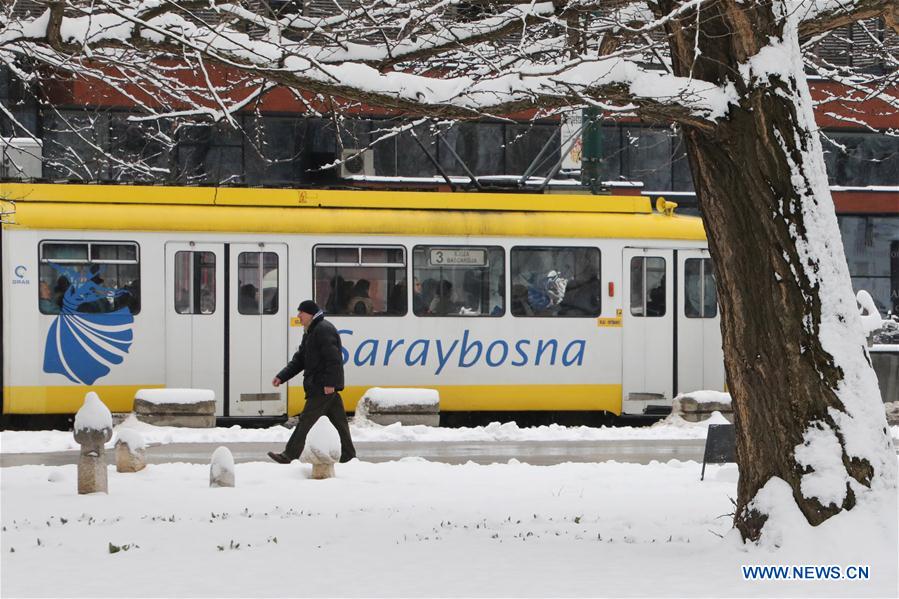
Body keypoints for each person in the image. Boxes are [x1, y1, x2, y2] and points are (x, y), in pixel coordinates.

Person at [268, 300, 356, 464]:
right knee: (340, 423)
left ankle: (289, 455)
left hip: (322, 385)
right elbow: (300, 359)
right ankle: (349, 455)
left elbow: (334, 360)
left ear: (310, 314)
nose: (298, 316)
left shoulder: (323, 330)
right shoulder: (311, 331)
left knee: (306, 421)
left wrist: (330, 384)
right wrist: (282, 376)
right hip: (321, 384)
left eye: (301, 312)